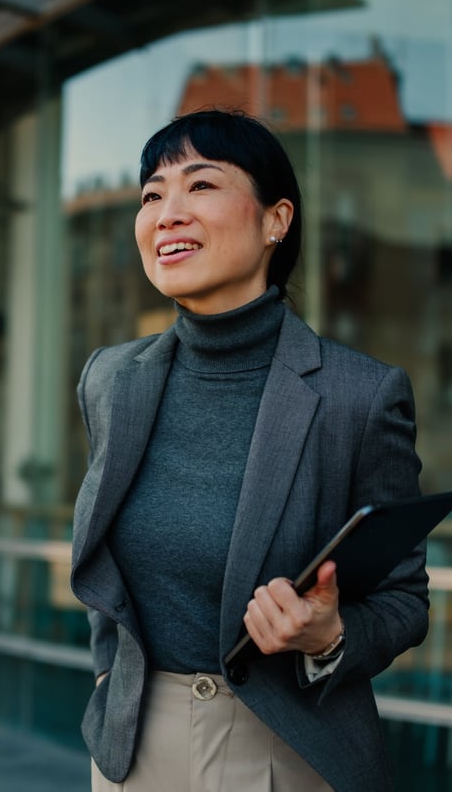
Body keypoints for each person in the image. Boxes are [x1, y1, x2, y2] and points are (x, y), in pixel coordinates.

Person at [69, 109, 428, 792]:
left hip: (284, 747)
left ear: (276, 220)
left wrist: (328, 636)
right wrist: (111, 676)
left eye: (200, 185)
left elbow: (405, 599)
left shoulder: (361, 395)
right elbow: (104, 567)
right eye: (151, 194)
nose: (167, 212)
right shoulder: (111, 379)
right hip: (131, 751)